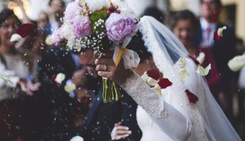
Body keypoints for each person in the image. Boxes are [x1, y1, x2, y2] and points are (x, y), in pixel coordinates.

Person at [78, 16, 241, 140]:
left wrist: (130, 81)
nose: (134, 74)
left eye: (132, 69)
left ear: (149, 59)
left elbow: (182, 132)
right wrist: (116, 133)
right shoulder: (150, 84)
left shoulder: (185, 71)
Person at [0, 9, 41, 141]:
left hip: (24, 112)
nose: (11, 30)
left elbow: (34, 77)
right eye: (5, 26)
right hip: (1, 115)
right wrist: (19, 81)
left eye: (15, 26)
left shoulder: (26, 55)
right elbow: (1, 75)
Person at [197, 0, 236, 117]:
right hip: (196, 85)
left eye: (211, 2)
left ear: (218, 7)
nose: (207, 6)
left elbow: (228, 64)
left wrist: (223, 89)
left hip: (218, 88)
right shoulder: (191, 29)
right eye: (204, 2)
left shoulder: (227, 32)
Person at [172, 10, 221, 98]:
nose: (185, 34)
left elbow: (214, 78)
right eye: (180, 29)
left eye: (188, 30)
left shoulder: (204, 52)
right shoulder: (168, 53)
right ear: (173, 30)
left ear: (194, 30)